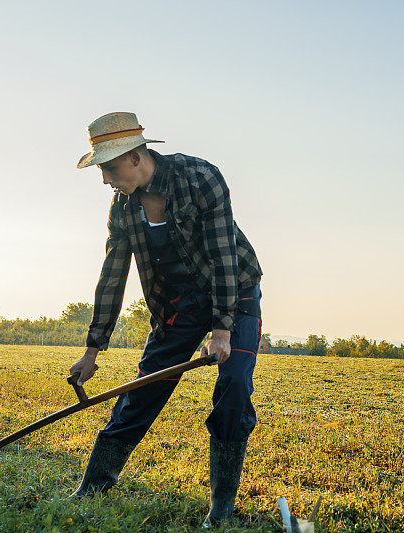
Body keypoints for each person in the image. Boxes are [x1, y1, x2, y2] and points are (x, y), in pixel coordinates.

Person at [67, 112, 263, 527]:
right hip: (178, 304)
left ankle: (222, 506)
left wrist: (222, 330)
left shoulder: (199, 178)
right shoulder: (122, 209)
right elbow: (111, 277)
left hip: (235, 293)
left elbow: (223, 256)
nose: (106, 179)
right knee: (142, 389)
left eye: (110, 168)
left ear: (136, 157)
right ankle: (93, 486)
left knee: (233, 387)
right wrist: (92, 350)